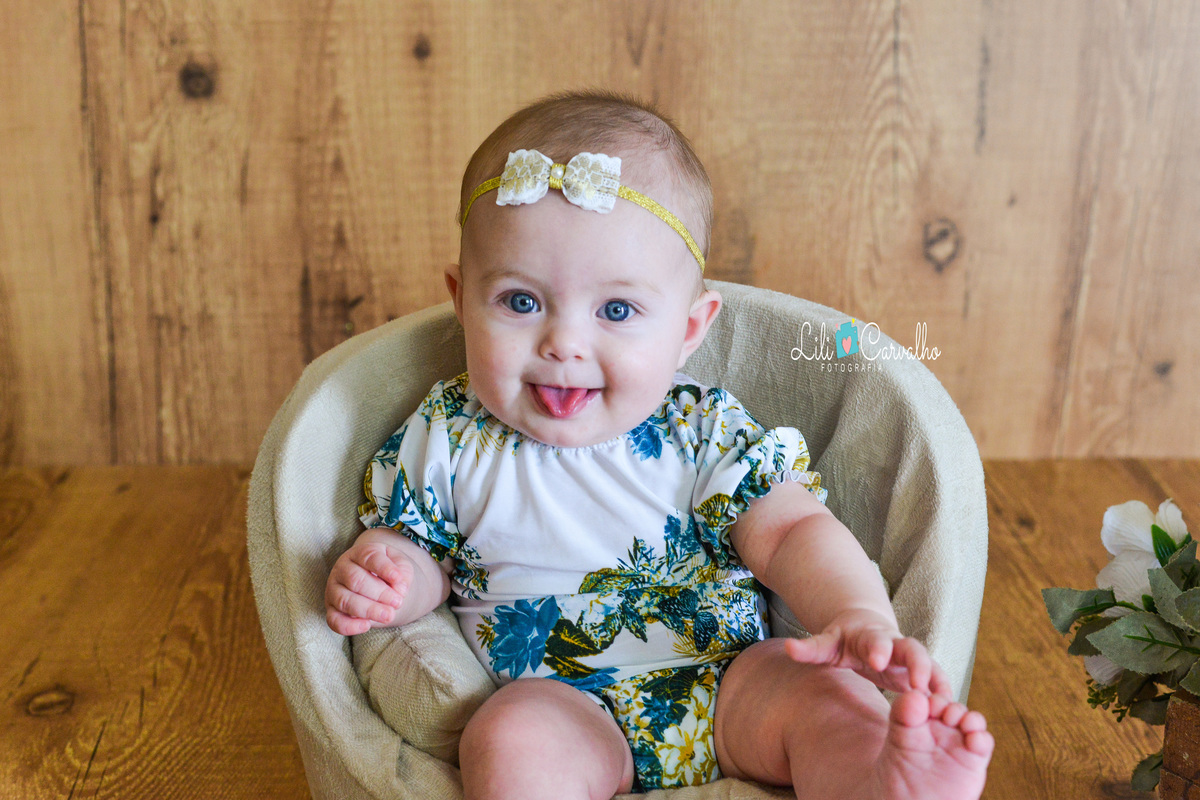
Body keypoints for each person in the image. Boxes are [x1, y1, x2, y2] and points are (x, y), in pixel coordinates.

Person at [325, 90, 994, 799]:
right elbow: (423, 554)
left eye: (617, 310)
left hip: (733, 681)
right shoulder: (449, 436)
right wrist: (388, 576)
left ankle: (882, 776)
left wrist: (856, 615)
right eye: (521, 302)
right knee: (509, 737)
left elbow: (793, 531)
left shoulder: (702, 429)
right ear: (461, 299)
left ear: (689, 329)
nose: (563, 344)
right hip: (563, 704)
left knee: (827, 700)